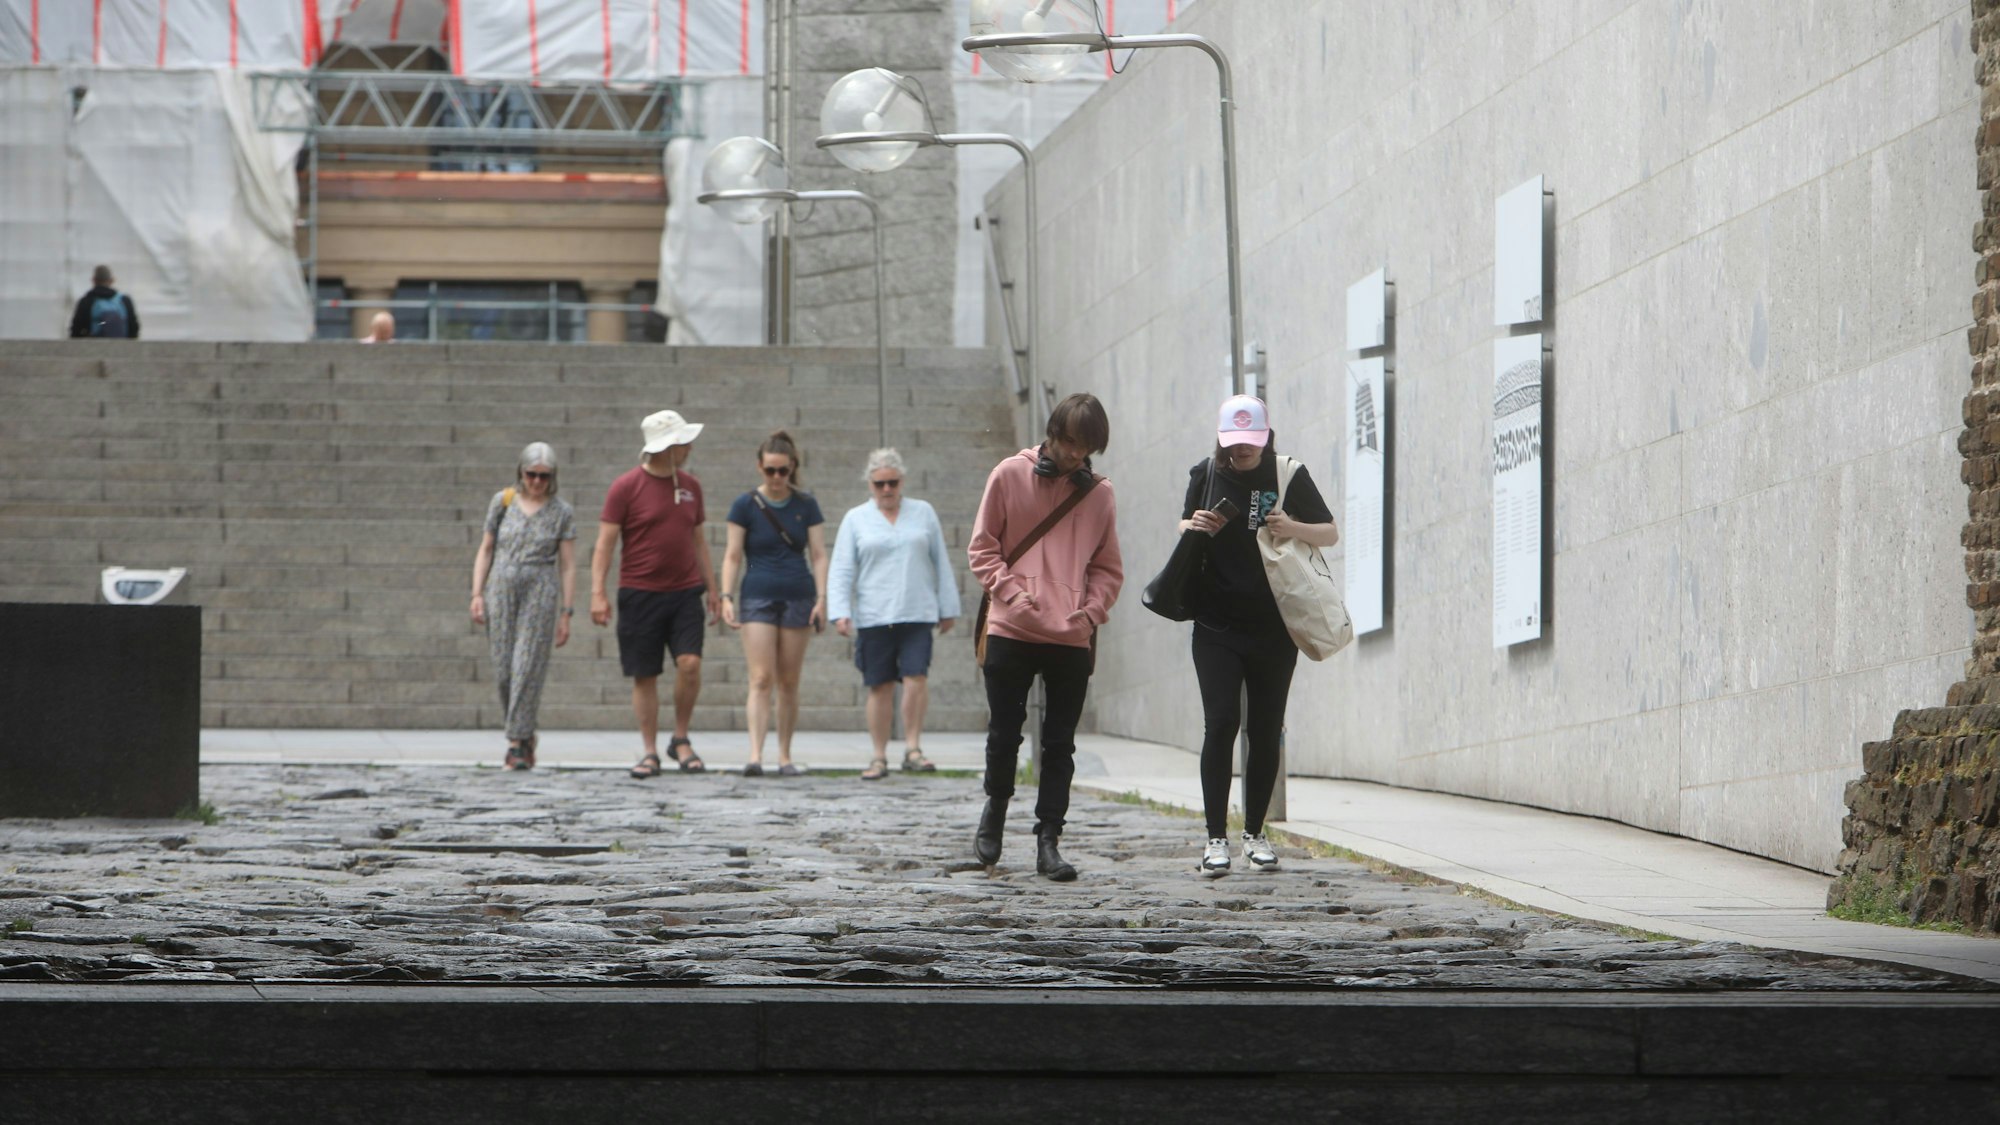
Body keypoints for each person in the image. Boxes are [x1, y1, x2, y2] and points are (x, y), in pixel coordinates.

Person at [1179, 394, 1340, 877]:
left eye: (1251, 443)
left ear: (1266, 436)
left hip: (1274, 625)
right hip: (1215, 624)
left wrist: (1292, 526)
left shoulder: (1288, 474)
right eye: (1235, 444)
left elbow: (1330, 532)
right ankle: (1214, 839)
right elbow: (1183, 525)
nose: (1242, 452)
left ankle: (1254, 834)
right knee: (1221, 723)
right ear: (1223, 438)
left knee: (1266, 729)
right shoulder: (1205, 473)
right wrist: (1195, 525)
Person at [967, 393, 1123, 881]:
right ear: (1053, 433)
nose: (1077, 455)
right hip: (1012, 626)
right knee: (1004, 733)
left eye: (1086, 448)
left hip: (1070, 636)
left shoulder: (1099, 494)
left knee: (1060, 744)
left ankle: (1048, 840)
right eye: (1071, 443)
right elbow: (982, 548)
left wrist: (1091, 611)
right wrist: (1011, 593)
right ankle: (994, 811)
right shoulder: (1009, 474)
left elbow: (1107, 567)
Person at [591, 410, 721, 778]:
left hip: (684, 593)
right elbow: (605, 544)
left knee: (690, 663)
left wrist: (713, 588)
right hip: (640, 592)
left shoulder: (691, 486)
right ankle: (649, 750)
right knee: (644, 674)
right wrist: (597, 592)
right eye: (683, 441)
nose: (689, 447)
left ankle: (680, 737)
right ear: (666, 447)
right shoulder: (626, 487)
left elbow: (699, 541)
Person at [828, 448, 960, 780]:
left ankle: (913, 747)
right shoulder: (856, 519)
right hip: (874, 613)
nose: (887, 490)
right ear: (870, 485)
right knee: (880, 685)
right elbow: (842, 567)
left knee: (917, 677)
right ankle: (878, 754)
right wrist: (840, 611)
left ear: (902, 481)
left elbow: (940, 560)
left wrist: (948, 607)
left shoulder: (923, 513)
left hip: (917, 610)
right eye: (880, 484)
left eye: (893, 482)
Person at [720, 431, 829, 777]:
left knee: (789, 680)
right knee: (761, 677)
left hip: (798, 592)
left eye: (783, 471)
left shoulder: (806, 504)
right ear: (760, 467)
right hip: (758, 594)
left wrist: (823, 598)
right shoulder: (745, 505)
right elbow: (733, 554)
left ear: (792, 467)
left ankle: (784, 755)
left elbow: (819, 554)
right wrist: (726, 595)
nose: (777, 478)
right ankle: (755, 754)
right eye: (770, 471)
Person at [469, 443, 577, 770]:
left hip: (540, 587)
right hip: (501, 584)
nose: (537, 482)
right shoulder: (502, 502)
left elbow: (569, 564)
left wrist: (566, 611)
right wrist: (476, 593)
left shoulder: (561, 511)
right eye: (531, 475)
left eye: (544, 476)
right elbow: (486, 548)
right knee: (503, 667)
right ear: (521, 472)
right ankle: (525, 733)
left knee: (526, 665)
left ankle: (516, 743)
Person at [68, 265, 139, 339]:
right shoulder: (124, 300)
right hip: (120, 346)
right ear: (112, 280)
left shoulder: (86, 301)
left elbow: (76, 331)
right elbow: (134, 329)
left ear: (93, 280)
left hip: (94, 347)